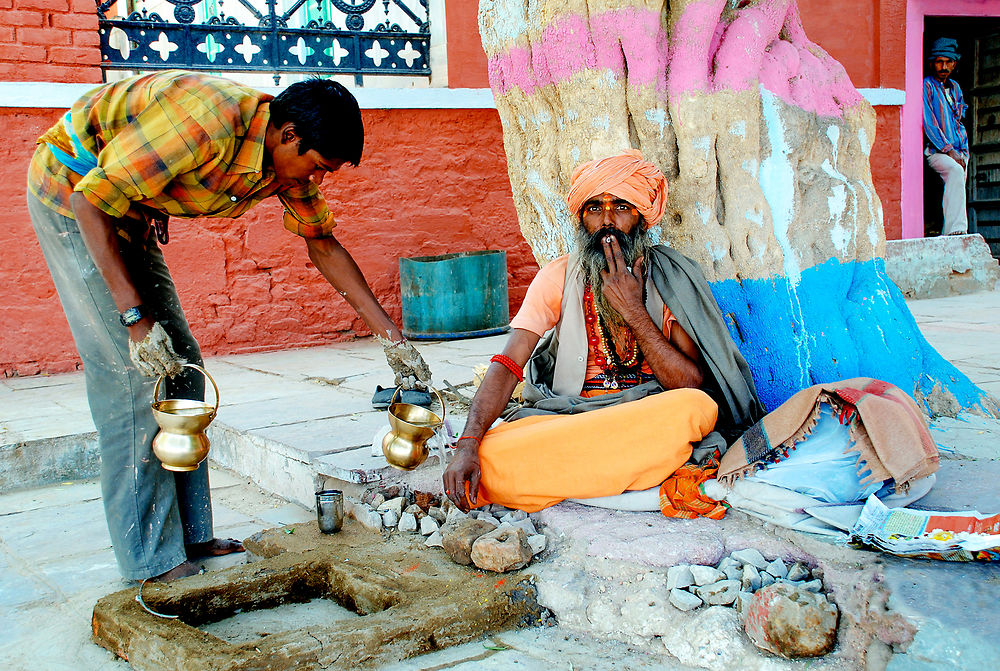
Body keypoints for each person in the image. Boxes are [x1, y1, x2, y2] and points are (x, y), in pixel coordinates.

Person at [26, 70, 431, 582]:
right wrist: (134, 319)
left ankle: (193, 536)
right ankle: (150, 562)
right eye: (318, 166)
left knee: (184, 370)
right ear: (288, 135)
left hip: (126, 203)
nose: (317, 180)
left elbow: (323, 243)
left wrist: (393, 342)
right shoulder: (207, 122)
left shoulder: (287, 168)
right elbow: (91, 200)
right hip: (71, 196)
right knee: (133, 380)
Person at [443, 150, 762, 513]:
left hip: (643, 416)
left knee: (695, 408)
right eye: (595, 208)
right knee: (491, 450)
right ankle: (627, 475)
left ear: (642, 217)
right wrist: (467, 442)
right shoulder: (558, 276)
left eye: (621, 207)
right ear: (581, 218)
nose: (607, 221)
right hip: (573, 418)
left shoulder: (669, 279)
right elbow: (507, 363)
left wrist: (634, 311)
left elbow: (690, 385)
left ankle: (571, 477)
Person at [923, 37, 970, 236]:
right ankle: (956, 231)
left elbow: (959, 120)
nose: (943, 66)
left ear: (954, 63)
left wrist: (962, 152)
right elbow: (929, 121)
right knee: (955, 173)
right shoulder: (927, 85)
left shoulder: (956, 87)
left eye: (948, 62)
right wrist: (948, 150)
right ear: (932, 63)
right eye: (939, 62)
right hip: (937, 150)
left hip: (960, 150)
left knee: (956, 187)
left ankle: (947, 231)